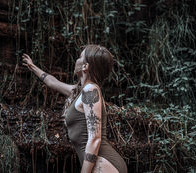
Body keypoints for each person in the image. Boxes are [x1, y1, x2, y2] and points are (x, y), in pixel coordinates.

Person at [22, 44, 128, 173]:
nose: (76, 60)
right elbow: (53, 82)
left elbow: (95, 138)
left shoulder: (90, 91)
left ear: (85, 66)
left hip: (104, 164)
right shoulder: (80, 91)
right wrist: (32, 66)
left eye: (80, 57)